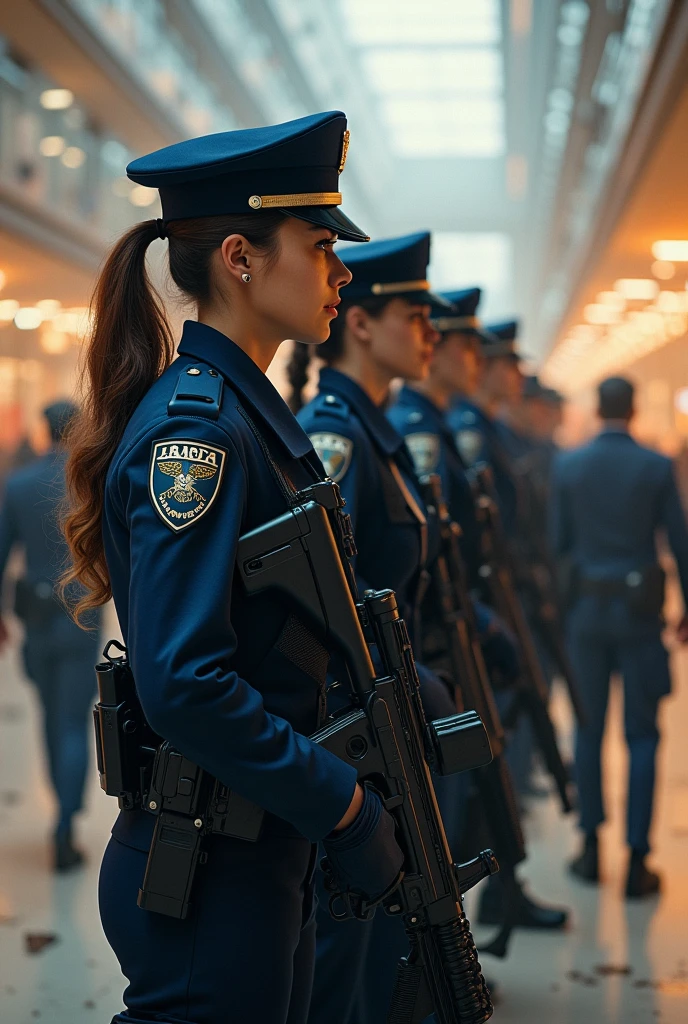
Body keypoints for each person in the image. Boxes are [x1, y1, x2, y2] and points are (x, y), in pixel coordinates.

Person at [60, 110, 405, 1024]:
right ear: (241, 258)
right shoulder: (200, 434)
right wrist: (343, 807)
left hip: (256, 848)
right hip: (211, 866)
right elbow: (185, 682)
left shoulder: (249, 421)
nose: (341, 272)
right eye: (321, 244)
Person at [289, 233, 466, 1024]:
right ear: (362, 325)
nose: (429, 332)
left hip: (387, 704)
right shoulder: (339, 436)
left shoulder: (375, 432)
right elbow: (331, 584)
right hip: (357, 718)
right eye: (413, 314)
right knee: (344, 970)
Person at [388, 288, 568, 932]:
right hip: (441, 638)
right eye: (465, 346)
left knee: (478, 777)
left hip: (471, 622)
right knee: (449, 798)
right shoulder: (428, 427)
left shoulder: (448, 425)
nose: (451, 352)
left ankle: (495, 895)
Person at [550, 376, 688, 898]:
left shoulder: (568, 466)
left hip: (585, 616)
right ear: (632, 410)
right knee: (643, 736)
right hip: (640, 616)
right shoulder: (654, 467)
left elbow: (556, 546)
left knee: (587, 731)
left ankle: (589, 848)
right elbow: (679, 540)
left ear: (597, 408)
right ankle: (637, 859)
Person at [0, 400, 99, 871]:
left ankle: (59, 813)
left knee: (49, 717)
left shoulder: (17, 485)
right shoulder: (89, 483)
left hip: (36, 619)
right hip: (81, 615)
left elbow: (0, 557)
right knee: (72, 722)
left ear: (44, 429)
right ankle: (64, 824)